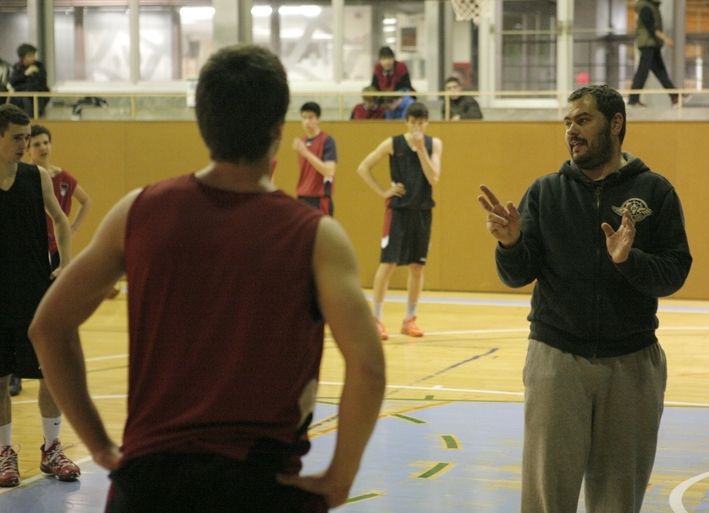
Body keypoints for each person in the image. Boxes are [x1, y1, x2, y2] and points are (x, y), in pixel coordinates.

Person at [28, 44, 385, 513]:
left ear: (203, 124)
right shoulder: (317, 236)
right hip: (260, 485)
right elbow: (368, 366)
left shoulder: (137, 211)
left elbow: (48, 327)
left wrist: (98, 445)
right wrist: (341, 476)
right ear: (279, 131)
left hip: (149, 485)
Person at [478, 84, 691, 513]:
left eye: (583, 120)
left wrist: (629, 261)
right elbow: (517, 274)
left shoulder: (655, 191)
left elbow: (674, 272)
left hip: (632, 364)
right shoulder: (545, 192)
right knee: (545, 498)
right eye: (567, 122)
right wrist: (510, 243)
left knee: (618, 500)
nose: (571, 131)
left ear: (616, 124)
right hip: (557, 360)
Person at [0, 103, 79, 487]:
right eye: (17, 138)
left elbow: (62, 224)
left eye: (27, 137)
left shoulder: (38, 178)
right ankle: (4, 453)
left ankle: (52, 449)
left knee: (49, 374)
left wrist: (65, 265)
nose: (24, 144)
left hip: (36, 293)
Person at [356, 102, 442, 341]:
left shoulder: (433, 144)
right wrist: (384, 190)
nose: (417, 126)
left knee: (417, 266)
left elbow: (434, 178)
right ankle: (375, 319)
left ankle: (410, 319)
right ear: (407, 122)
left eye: (421, 122)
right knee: (388, 264)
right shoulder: (393, 143)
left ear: (426, 122)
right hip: (398, 211)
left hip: (422, 211)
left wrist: (421, 150)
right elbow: (363, 167)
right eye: (413, 122)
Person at [28, 124, 93, 271]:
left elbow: (86, 201)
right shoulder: (25, 176)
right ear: (28, 150)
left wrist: (74, 228)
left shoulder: (63, 177)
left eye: (46, 143)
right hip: (33, 244)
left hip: (57, 244)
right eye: (37, 144)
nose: (43, 147)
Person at [628, 0, 679, 107]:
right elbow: (650, 27)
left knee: (660, 71)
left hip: (652, 43)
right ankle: (633, 100)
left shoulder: (651, 6)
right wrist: (665, 38)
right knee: (643, 72)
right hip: (648, 44)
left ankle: (675, 96)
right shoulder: (646, 7)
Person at [293, 102, 337, 216]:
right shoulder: (302, 142)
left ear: (318, 119)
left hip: (320, 200)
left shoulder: (327, 141)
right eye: (304, 118)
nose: (307, 121)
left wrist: (306, 153)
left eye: (311, 117)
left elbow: (329, 170)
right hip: (302, 198)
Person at [8, 43, 50, 117]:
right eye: (30, 56)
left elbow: (42, 82)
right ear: (22, 58)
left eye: (34, 55)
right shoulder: (17, 67)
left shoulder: (39, 66)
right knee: (23, 98)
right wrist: (26, 74)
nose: (33, 58)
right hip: (21, 96)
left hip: (37, 95)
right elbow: (13, 82)